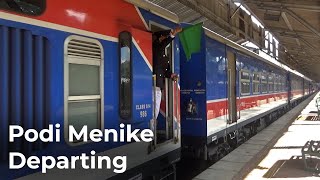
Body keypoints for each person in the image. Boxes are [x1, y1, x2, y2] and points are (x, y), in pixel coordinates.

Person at [152, 27, 182, 121]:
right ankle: (150, 130)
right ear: (161, 38)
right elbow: (163, 45)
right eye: (165, 37)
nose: (166, 39)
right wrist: (173, 35)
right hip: (154, 85)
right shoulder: (156, 47)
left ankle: (152, 129)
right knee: (154, 110)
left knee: (155, 110)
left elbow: (163, 70)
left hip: (158, 85)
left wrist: (171, 75)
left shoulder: (162, 54)